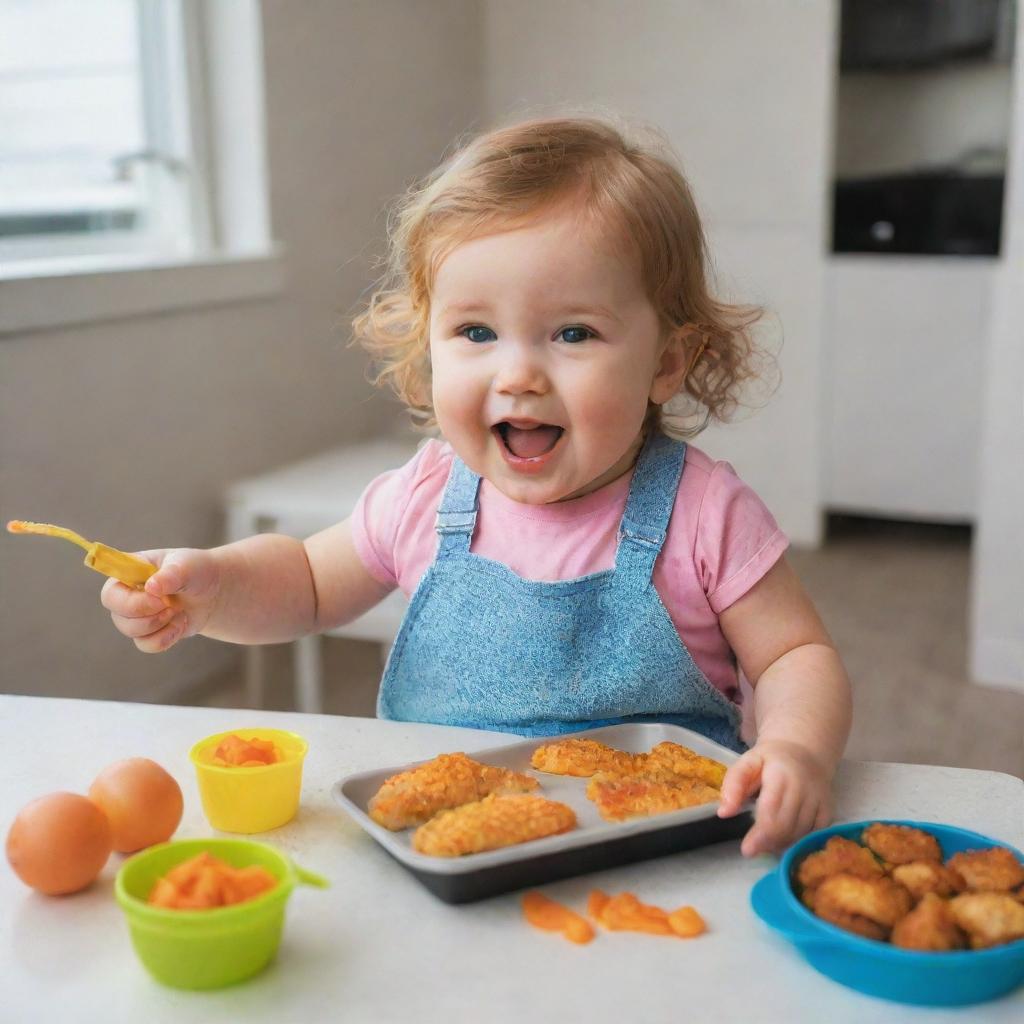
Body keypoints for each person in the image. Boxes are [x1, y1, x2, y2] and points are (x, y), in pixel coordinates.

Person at [101, 117, 851, 857]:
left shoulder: (704, 513)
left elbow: (794, 657)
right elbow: (304, 581)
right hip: (444, 843)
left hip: (657, 845)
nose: (517, 375)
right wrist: (215, 587)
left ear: (666, 362)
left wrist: (796, 748)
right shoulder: (426, 497)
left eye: (574, 333)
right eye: (476, 333)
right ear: (427, 341)